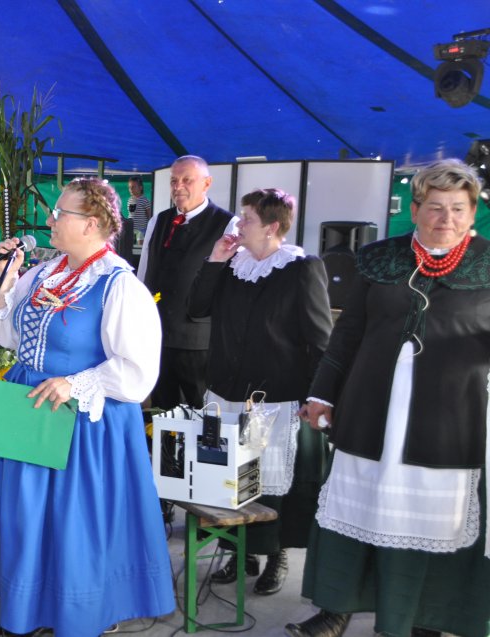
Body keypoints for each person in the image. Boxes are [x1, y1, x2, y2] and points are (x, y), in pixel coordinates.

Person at [287, 159, 490, 637]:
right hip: (371, 407)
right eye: (436, 207)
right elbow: (347, 334)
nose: (447, 219)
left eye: (459, 209)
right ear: (415, 209)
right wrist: (321, 393)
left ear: (473, 211)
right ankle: (335, 610)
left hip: (451, 417)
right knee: (356, 508)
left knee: (435, 518)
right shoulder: (379, 257)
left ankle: (425, 620)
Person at [0, 177, 175, 637]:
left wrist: (78, 383)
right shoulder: (45, 273)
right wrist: (5, 282)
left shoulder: (118, 285)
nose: (50, 220)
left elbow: (139, 371)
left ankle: (82, 615)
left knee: (73, 526)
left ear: (90, 224)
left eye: (59, 213)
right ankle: (31, 611)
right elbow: (6, 334)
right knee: (29, 516)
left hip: (83, 423)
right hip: (29, 411)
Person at [188, 188, 333, 596]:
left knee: (271, 485)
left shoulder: (301, 268)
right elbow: (195, 308)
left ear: (272, 227)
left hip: (276, 397)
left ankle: (277, 555)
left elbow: (321, 339)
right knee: (231, 479)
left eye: (247, 218)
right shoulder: (233, 264)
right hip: (224, 392)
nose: (238, 225)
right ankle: (239, 554)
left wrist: (318, 395)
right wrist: (215, 260)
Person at [139, 155, 237, 410]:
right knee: (161, 409)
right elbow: (144, 273)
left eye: (186, 180)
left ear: (206, 183)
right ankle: (164, 450)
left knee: (201, 411)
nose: (178, 187)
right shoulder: (158, 221)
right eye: (173, 181)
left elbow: (231, 286)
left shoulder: (228, 224)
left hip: (200, 341)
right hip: (157, 334)